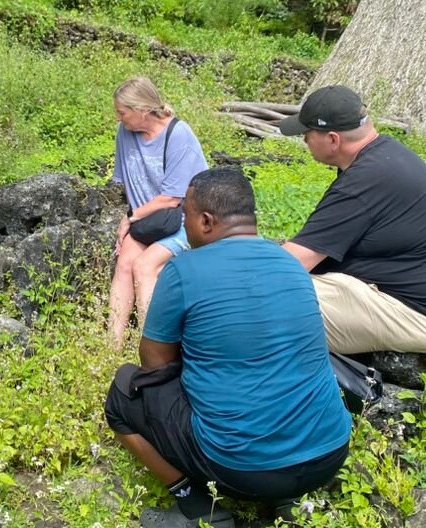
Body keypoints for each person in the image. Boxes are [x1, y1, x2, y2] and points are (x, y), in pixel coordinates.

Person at [105, 168, 351, 528]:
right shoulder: (291, 263)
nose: (182, 224)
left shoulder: (183, 270)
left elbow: (154, 364)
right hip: (329, 454)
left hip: (240, 469)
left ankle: (197, 506)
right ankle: (286, 501)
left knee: (122, 392)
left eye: (184, 215)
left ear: (206, 220)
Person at [279, 85, 426, 354]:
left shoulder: (366, 179)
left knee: (261, 302)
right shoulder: (384, 157)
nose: (304, 141)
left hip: (418, 317)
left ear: (333, 140)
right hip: (391, 297)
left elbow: (294, 262)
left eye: (307, 133)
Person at [108, 77, 207, 349]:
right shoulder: (124, 133)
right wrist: (131, 221)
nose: (118, 118)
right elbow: (128, 181)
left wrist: (129, 219)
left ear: (141, 110)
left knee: (145, 265)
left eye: (122, 112)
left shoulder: (179, 134)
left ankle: (150, 345)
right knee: (125, 262)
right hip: (148, 220)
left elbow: (172, 197)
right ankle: (110, 344)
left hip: (185, 221)